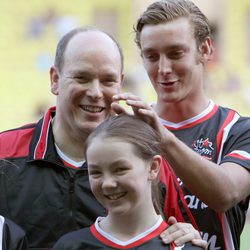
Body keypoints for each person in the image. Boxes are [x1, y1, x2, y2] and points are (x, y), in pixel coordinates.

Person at [0, 26, 205, 249]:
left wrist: (186, 232)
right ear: (55, 79)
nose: (96, 92)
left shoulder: (147, 161)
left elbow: (178, 231)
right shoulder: (5, 153)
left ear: (121, 82)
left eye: (108, 80)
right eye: (82, 77)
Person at [112, 0, 250, 249]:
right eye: (151, 56)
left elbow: (226, 194)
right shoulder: (126, 131)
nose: (163, 69)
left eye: (176, 53)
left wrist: (162, 139)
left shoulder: (237, 130)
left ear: (206, 49)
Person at [52, 114, 205, 250]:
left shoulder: (183, 246)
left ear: (153, 167)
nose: (107, 183)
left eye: (120, 169)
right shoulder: (70, 246)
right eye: (96, 172)